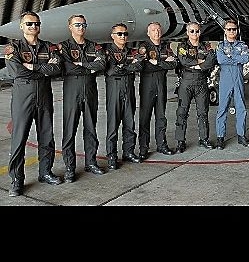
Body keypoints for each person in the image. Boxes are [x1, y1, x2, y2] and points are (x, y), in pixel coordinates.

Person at [5, 11, 63, 197]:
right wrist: (43, 71)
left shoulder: (48, 46)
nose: (33, 26)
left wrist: (33, 67)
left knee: (46, 136)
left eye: (36, 23)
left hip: (44, 96)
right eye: (29, 23)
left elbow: (57, 68)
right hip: (23, 97)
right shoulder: (14, 48)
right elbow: (17, 72)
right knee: (19, 138)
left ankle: (45, 172)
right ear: (22, 26)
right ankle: (17, 179)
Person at [59, 14, 107, 183]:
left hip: (90, 90)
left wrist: (80, 64)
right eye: (77, 24)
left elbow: (102, 64)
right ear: (70, 27)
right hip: (72, 90)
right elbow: (67, 67)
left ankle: (91, 162)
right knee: (69, 130)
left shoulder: (94, 46)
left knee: (91, 128)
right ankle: (69, 167)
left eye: (83, 24)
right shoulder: (64, 46)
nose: (81, 27)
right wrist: (89, 67)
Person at [104, 23, 145, 169]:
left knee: (129, 123)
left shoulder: (131, 51)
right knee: (113, 125)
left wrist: (123, 66)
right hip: (114, 89)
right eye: (119, 34)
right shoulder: (107, 52)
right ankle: (111, 156)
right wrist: (129, 66)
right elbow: (111, 70)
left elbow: (139, 66)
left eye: (125, 34)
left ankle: (129, 152)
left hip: (129, 89)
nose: (123, 36)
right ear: (113, 36)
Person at [137, 21, 177, 159]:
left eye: (158, 30)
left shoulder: (166, 47)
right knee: (145, 117)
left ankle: (162, 144)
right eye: (153, 30)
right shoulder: (144, 47)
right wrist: (163, 64)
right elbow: (144, 66)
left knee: (161, 116)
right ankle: (143, 148)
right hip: (147, 85)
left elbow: (173, 64)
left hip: (161, 84)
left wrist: (157, 62)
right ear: (148, 33)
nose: (157, 32)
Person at [174, 22, 217, 153]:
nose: (194, 33)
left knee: (203, 112)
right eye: (192, 31)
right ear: (187, 33)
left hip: (201, 82)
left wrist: (196, 65)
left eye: (197, 31)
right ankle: (180, 141)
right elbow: (184, 61)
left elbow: (211, 61)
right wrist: (200, 62)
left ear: (200, 32)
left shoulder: (206, 46)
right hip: (186, 81)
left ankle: (204, 139)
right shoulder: (182, 46)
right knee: (182, 112)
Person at [215, 19, 249, 150]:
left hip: (238, 78)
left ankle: (241, 135)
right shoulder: (220, 46)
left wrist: (230, 58)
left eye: (234, 29)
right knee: (222, 108)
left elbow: (245, 58)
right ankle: (220, 137)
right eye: (229, 29)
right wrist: (236, 59)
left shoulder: (242, 45)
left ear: (237, 31)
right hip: (225, 79)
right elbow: (221, 59)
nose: (232, 31)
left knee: (241, 107)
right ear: (225, 31)